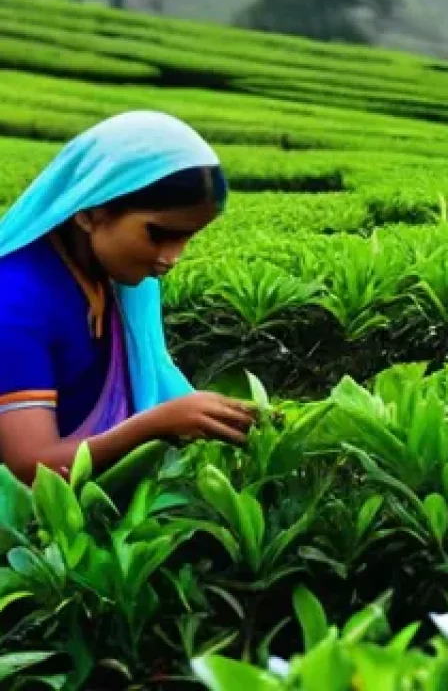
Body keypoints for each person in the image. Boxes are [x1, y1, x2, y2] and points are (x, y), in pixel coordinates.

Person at [0, 111, 257, 484]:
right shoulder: (15, 301)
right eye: (158, 234)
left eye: (188, 238)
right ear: (91, 212)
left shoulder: (109, 277)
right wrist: (155, 425)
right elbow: (31, 469)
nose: (173, 258)